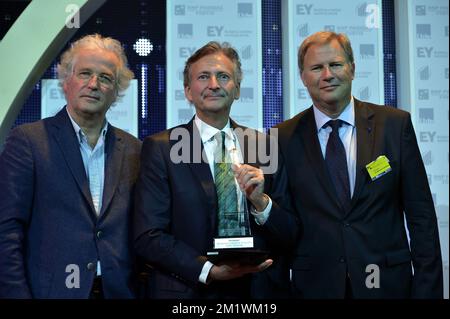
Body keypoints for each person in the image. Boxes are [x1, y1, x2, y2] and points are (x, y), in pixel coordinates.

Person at [275, 31, 443, 298]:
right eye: (317, 68)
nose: (327, 75)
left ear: (352, 69)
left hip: (387, 286)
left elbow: (421, 217)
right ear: (303, 78)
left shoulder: (394, 125)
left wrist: (427, 291)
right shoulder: (282, 137)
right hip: (316, 289)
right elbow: (282, 227)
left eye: (336, 64)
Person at [134, 41, 298, 299]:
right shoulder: (162, 148)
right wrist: (208, 269)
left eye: (223, 76)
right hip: (190, 291)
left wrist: (261, 203)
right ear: (188, 91)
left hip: (257, 292)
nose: (213, 84)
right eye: (203, 77)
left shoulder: (264, 146)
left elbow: (290, 233)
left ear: (237, 90)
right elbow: (148, 235)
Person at [0, 34, 142, 298]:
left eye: (105, 77)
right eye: (85, 73)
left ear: (116, 92)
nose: (93, 84)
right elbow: (6, 231)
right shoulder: (29, 141)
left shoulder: (135, 149)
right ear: (66, 81)